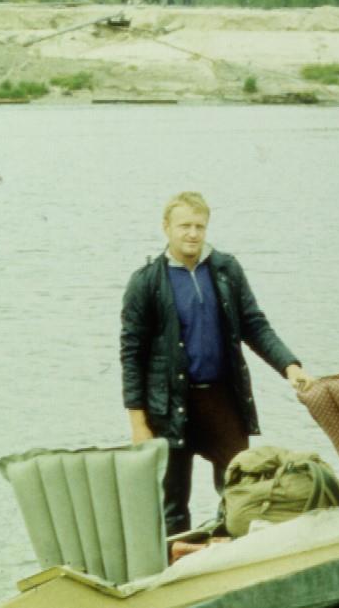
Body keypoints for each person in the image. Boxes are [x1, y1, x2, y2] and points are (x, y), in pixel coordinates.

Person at [120, 191, 315, 534]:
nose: (193, 234)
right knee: (173, 504)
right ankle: (176, 572)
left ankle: (234, 560)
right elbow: (132, 355)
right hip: (169, 408)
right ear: (166, 227)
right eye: (184, 226)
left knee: (240, 493)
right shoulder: (146, 282)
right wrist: (138, 423)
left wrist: (290, 366)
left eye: (200, 226)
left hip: (223, 402)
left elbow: (254, 324)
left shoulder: (226, 270)